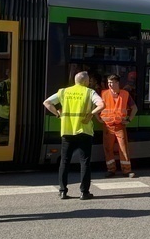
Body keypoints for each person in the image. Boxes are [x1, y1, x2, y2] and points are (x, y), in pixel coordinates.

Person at [43, 71, 104, 200]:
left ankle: (63, 191)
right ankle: (84, 192)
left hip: (67, 132)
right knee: (85, 162)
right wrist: (91, 114)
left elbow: (47, 103)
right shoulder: (89, 92)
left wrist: (57, 113)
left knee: (64, 162)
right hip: (84, 132)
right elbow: (101, 104)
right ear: (86, 82)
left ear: (75, 81)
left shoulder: (64, 92)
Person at [100, 74, 138, 178]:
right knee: (108, 149)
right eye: (108, 83)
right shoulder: (104, 94)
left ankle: (126, 170)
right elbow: (96, 107)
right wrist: (97, 117)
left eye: (111, 82)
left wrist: (129, 120)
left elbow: (134, 108)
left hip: (120, 125)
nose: (110, 85)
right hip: (108, 126)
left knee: (123, 148)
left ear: (117, 83)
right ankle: (111, 170)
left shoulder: (125, 94)